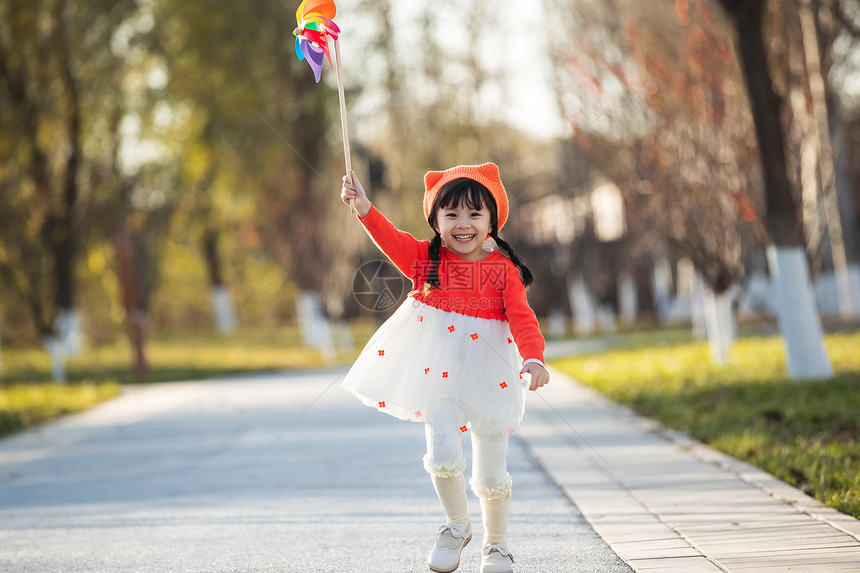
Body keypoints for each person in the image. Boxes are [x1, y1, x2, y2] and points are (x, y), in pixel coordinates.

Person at [340, 162, 549, 573]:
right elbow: (391, 239)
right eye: (451, 214)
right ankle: (456, 525)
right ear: (435, 221)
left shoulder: (501, 268)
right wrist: (364, 207)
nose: (463, 223)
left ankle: (497, 544)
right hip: (439, 377)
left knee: (491, 474)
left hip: (490, 376)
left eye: (475, 213)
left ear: (492, 219)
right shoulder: (425, 261)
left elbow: (523, 318)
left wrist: (533, 357)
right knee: (442, 451)